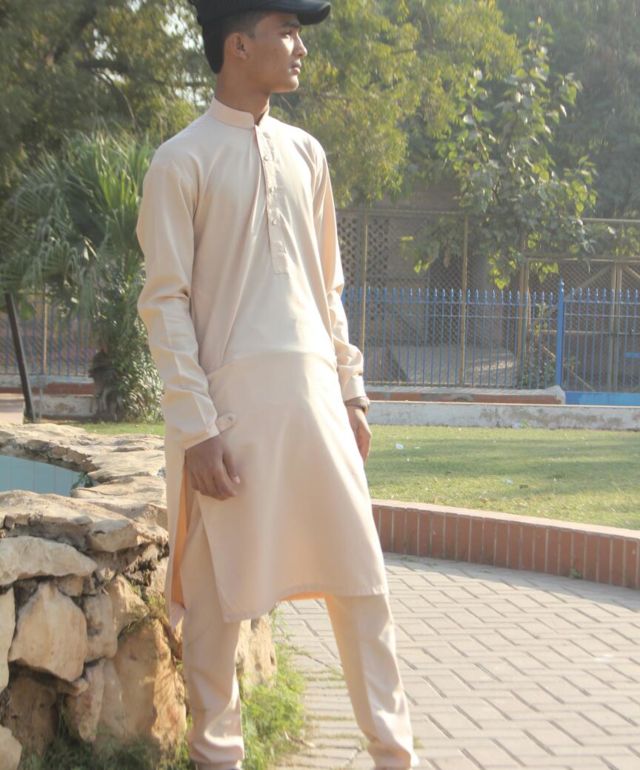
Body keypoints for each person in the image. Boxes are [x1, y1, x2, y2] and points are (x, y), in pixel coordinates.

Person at [136, 2, 419, 768]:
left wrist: (351, 390)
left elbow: (328, 286)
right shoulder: (180, 161)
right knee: (217, 601)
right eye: (285, 31)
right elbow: (165, 303)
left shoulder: (306, 154)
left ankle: (395, 755)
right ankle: (217, 758)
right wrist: (197, 427)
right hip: (227, 418)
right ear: (238, 45)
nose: (299, 47)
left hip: (315, 402)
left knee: (362, 585)